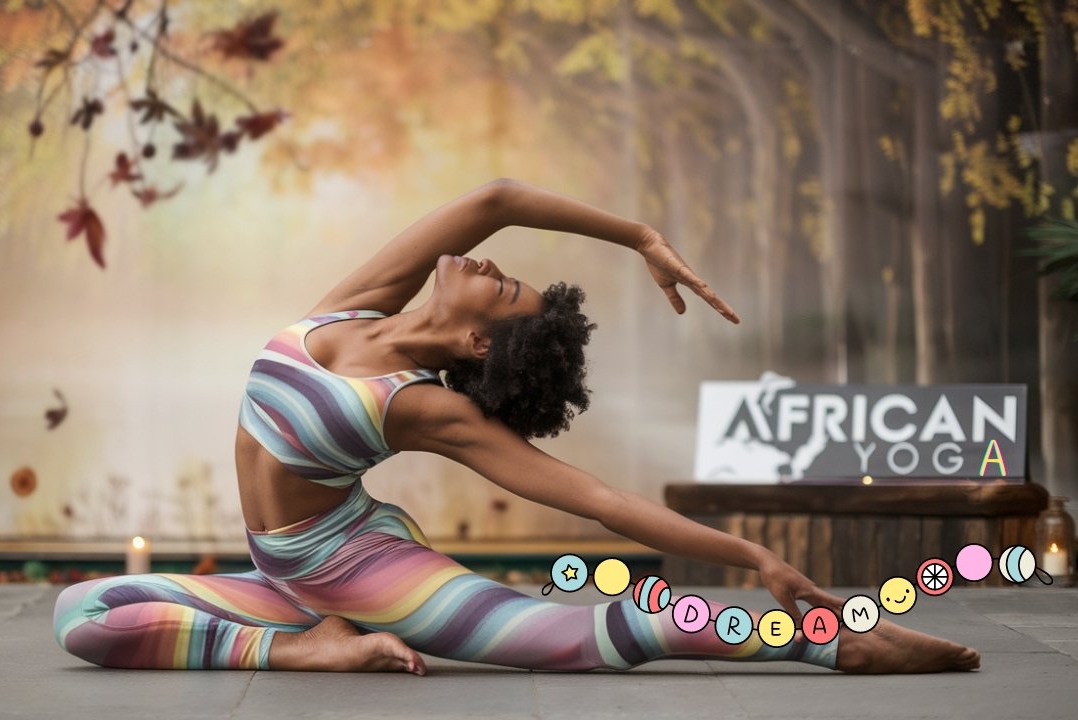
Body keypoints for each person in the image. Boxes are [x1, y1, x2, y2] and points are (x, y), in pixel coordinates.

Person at [53, 178, 981, 674]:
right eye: (506, 274)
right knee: (83, 616)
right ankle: (308, 647)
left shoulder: (424, 405)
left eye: (499, 287)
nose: (490, 262)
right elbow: (494, 195)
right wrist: (638, 236)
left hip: (358, 568)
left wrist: (753, 558)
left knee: (570, 640)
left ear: (470, 341)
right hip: (286, 576)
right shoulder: (359, 308)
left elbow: (600, 500)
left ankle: (830, 640)